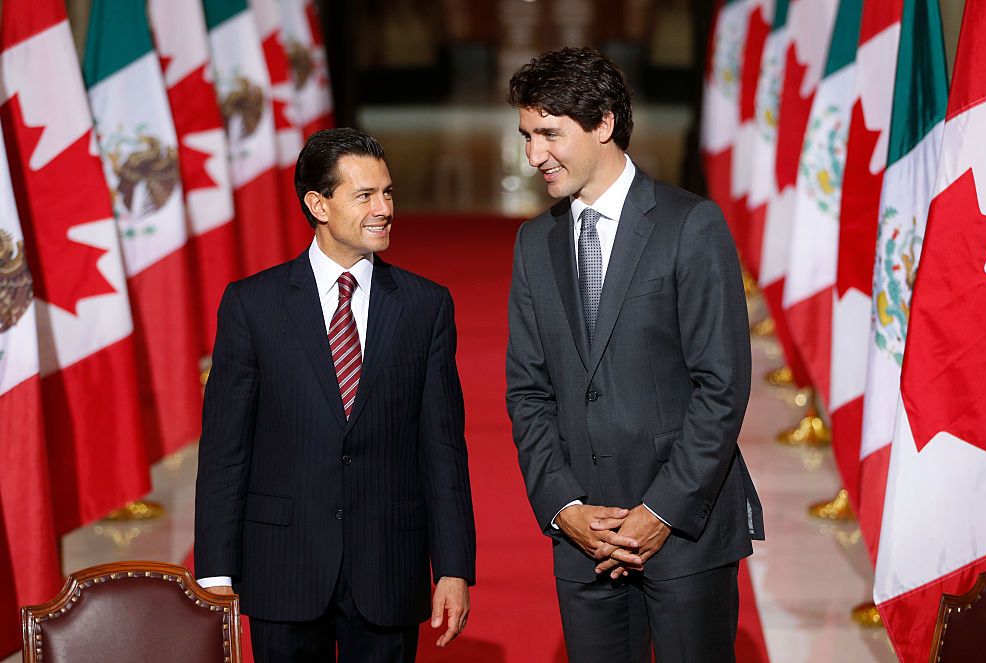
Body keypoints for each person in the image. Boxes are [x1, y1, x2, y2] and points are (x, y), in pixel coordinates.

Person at [505, 47, 764, 663]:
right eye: (526, 135)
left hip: (684, 536)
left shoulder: (690, 225)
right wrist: (565, 507)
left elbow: (721, 388)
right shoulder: (534, 242)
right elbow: (527, 391)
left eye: (548, 134)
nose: (532, 155)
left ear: (602, 124)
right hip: (582, 539)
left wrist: (659, 511)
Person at [194, 128, 476, 663]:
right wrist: (215, 567)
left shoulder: (425, 306)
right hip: (283, 566)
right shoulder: (252, 306)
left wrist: (455, 568)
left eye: (388, 192)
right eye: (364, 195)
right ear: (317, 204)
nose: (384, 209)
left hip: (389, 567)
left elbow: (443, 450)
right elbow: (226, 450)